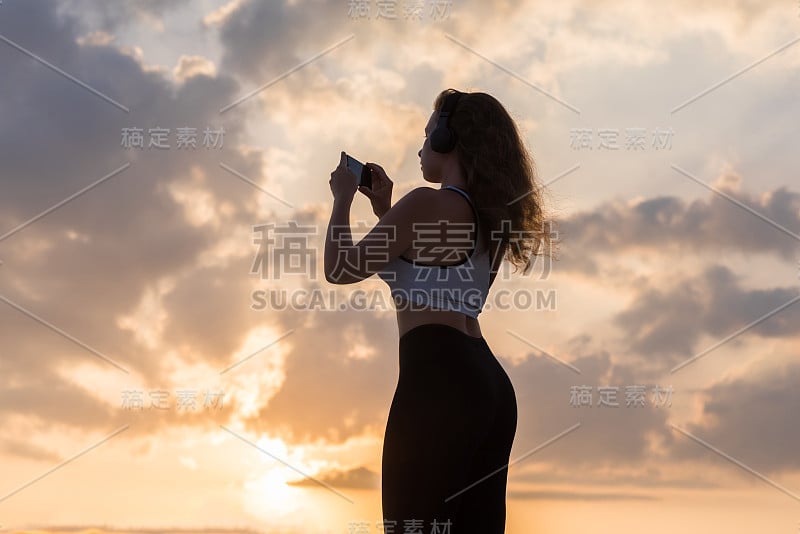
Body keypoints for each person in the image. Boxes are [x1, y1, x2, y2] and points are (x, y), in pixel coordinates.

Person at [325, 88, 556, 533]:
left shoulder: (425, 204)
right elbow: (427, 283)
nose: (421, 147)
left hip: (436, 379)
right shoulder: (490, 224)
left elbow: (340, 268)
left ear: (450, 140)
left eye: (429, 134)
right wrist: (384, 213)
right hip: (488, 385)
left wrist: (341, 198)